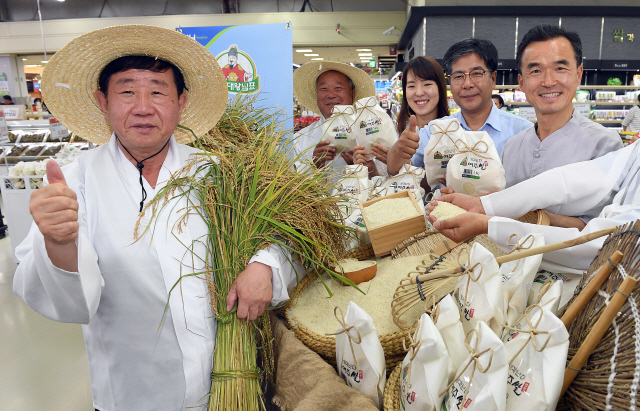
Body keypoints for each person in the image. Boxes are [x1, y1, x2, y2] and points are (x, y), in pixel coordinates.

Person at [13, 25, 299, 411]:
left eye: (158, 91)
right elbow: (72, 303)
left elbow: (283, 237)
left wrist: (264, 265)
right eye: (127, 91)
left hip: (228, 381)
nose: (143, 106)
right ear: (103, 101)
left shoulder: (217, 171)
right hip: (134, 391)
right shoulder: (76, 181)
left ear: (181, 102)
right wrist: (59, 242)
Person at [426, 140, 640, 274]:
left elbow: (610, 244)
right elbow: (577, 179)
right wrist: (483, 205)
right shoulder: (514, 144)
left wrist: (489, 224)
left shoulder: (602, 139)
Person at [501, 25, 622, 192]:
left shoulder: (604, 145)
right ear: (521, 82)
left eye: (560, 68)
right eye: (536, 70)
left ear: (578, 74)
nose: (549, 82)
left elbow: (608, 217)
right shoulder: (511, 147)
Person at [387, 38, 532, 177]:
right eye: (458, 76)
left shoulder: (522, 132)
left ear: (493, 79)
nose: (467, 84)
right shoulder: (436, 130)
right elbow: (396, 170)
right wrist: (398, 151)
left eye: (476, 74)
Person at [355, 56, 449, 179]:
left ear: (440, 88)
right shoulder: (392, 133)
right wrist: (372, 169)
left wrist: (402, 166)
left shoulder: (454, 132)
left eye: (427, 84)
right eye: (411, 86)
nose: (419, 92)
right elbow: (387, 185)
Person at [292, 61, 378, 179]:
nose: (331, 95)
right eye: (324, 89)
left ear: (352, 93)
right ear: (317, 95)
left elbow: (386, 182)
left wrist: (365, 170)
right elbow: (290, 185)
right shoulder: (301, 139)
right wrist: (313, 165)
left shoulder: (371, 135)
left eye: (338, 88)